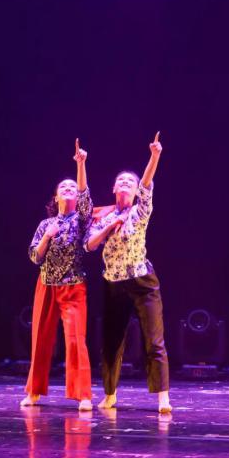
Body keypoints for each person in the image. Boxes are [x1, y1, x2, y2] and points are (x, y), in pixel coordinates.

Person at [85, 132, 171, 414]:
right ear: (113, 188)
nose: (125, 183)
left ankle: (163, 398)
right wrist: (110, 227)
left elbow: (146, 184)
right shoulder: (102, 217)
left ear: (135, 192)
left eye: (130, 182)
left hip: (142, 282)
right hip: (114, 284)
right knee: (111, 342)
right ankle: (110, 394)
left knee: (153, 340)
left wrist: (154, 156)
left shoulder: (140, 211)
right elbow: (89, 245)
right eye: (120, 181)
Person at [22, 139, 93, 411]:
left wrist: (81, 164)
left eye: (71, 187)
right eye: (63, 187)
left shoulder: (82, 219)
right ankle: (34, 391)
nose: (68, 189)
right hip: (46, 285)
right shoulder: (46, 224)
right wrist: (46, 238)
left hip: (73, 286)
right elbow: (34, 256)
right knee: (40, 340)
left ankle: (83, 395)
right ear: (56, 197)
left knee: (75, 340)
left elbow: (84, 195)